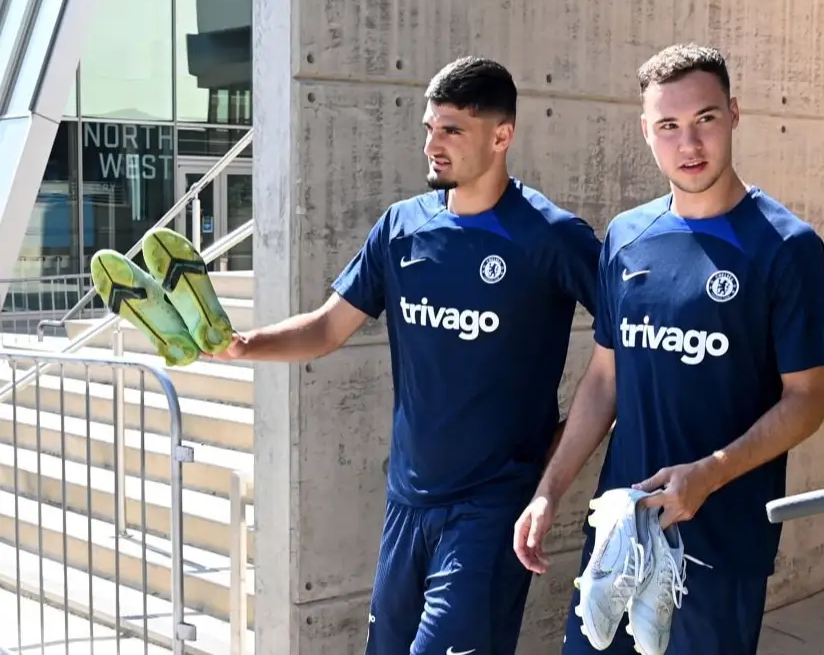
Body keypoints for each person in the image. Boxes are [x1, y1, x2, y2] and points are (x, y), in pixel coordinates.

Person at [214, 57, 602, 655]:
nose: (432, 145)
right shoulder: (402, 227)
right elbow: (326, 327)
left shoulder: (549, 235)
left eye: (451, 130)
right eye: (429, 128)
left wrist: (551, 474)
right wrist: (245, 345)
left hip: (492, 507)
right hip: (407, 503)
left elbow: (626, 348)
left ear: (502, 137)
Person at [512, 43, 824, 655]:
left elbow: (809, 398)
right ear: (646, 132)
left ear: (734, 114)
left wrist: (709, 475)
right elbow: (604, 380)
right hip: (620, 533)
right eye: (668, 126)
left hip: (721, 545)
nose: (688, 146)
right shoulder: (628, 238)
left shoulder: (787, 246)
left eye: (705, 120)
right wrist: (549, 490)